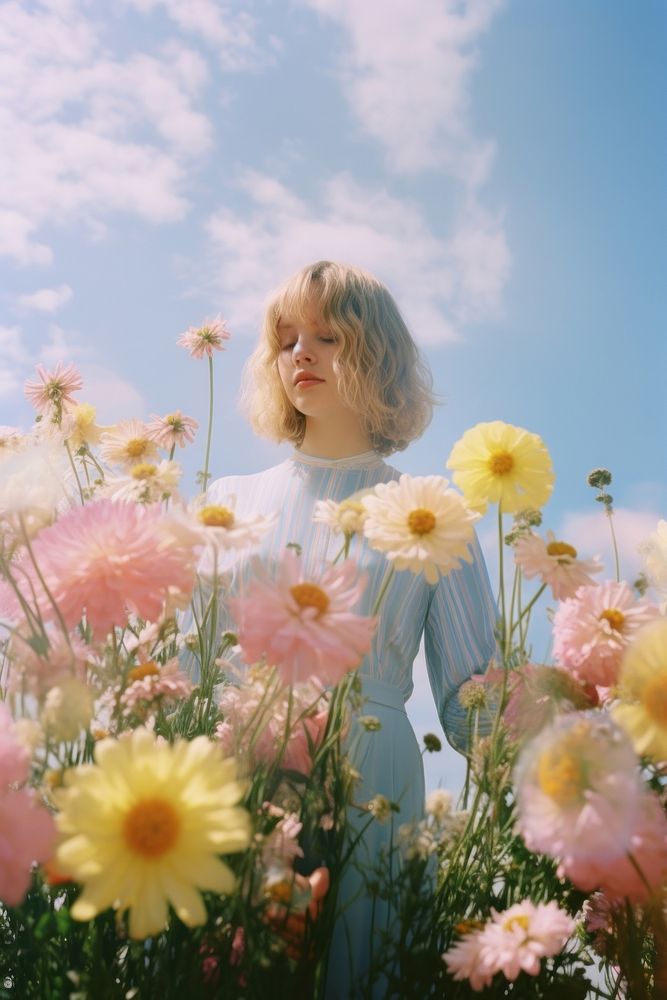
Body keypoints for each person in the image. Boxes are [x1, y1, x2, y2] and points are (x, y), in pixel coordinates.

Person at [204, 260, 498, 997]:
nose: (300, 352)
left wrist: (570, 762)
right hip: (239, 773)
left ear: (381, 357)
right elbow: (193, 667)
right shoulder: (227, 502)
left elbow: (473, 700)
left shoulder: (433, 513)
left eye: (328, 335)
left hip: (376, 783)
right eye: (285, 338)